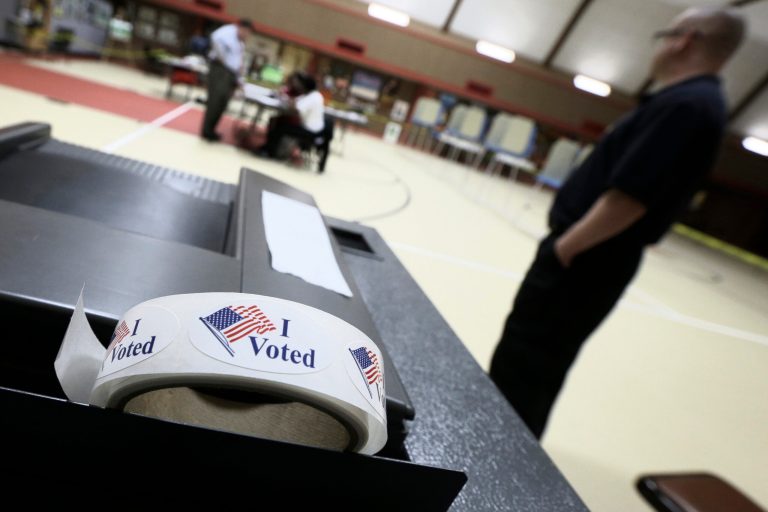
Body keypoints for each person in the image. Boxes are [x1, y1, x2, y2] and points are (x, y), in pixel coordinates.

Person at [489, 7, 745, 440]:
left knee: (526, 366)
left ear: (684, 40)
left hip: (582, 264)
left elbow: (629, 197)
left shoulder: (687, 105)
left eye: (664, 35)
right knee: (533, 365)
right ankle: (503, 446)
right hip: (590, 263)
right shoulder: (691, 103)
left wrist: (566, 248)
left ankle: (497, 456)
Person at [200, 18, 254, 142]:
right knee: (215, 100)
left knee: (223, 102)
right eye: (247, 32)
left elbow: (238, 62)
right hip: (221, 69)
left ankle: (211, 130)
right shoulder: (228, 31)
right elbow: (215, 38)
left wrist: (240, 79)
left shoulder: (240, 43)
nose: (247, 35)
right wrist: (221, 57)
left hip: (231, 74)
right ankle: (207, 131)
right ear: (242, 28)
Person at [256, 71, 326, 159]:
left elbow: (296, 108)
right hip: (313, 128)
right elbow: (295, 102)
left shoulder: (312, 96)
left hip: (310, 130)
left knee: (280, 126)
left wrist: (287, 100)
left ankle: (270, 151)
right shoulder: (313, 95)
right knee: (279, 121)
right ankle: (269, 149)